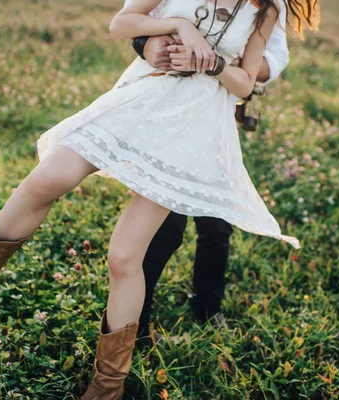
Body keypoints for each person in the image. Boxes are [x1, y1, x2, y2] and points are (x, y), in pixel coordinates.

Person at [0, 0, 319, 398]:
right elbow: (121, 24)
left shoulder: (268, 9)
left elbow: (247, 81)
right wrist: (180, 26)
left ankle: (108, 384)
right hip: (141, 97)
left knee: (125, 256)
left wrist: (213, 63)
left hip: (194, 126)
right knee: (45, 180)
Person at [118, 0, 291, 344]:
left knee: (216, 222)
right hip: (172, 106)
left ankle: (208, 307)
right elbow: (139, 18)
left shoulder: (269, 6)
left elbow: (274, 57)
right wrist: (153, 44)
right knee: (165, 228)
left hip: (218, 112)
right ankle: (138, 322)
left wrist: (225, 61)